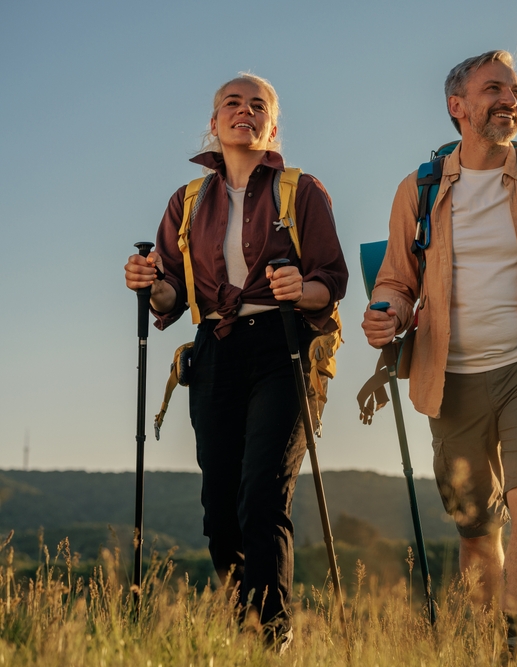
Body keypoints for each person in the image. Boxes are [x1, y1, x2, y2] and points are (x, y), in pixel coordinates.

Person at [362, 50, 517, 660]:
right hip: (452, 376)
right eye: (494, 88)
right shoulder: (419, 189)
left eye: (516, 88)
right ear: (459, 107)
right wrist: (387, 315)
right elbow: (398, 280)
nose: (510, 97)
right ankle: (480, 649)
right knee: (477, 531)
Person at [124, 73, 348, 642]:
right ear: (215, 119)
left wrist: (302, 287)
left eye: (258, 106)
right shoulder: (188, 201)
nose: (244, 112)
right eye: (233, 103)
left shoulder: (303, 190)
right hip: (215, 350)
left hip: (284, 346)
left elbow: (333, 279)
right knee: (220, 509)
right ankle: (241, 619)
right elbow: (171, 294)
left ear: (272, 126)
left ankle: (267, 637)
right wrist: (148, 280)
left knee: (262, 496)